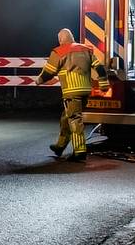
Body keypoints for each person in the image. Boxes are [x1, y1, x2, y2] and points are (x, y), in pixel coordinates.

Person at [37, 28, 109, 162]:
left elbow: (49, 72)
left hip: (72, 92)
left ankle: (80, 152)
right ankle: (60, 146)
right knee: (66, 117)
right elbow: (99, 68)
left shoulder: (59, 51)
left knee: (74, 119)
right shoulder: (85, 49)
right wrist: (103, 84)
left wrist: (39, 80)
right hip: (85, 91)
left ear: (60, 39)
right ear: (72, 37)